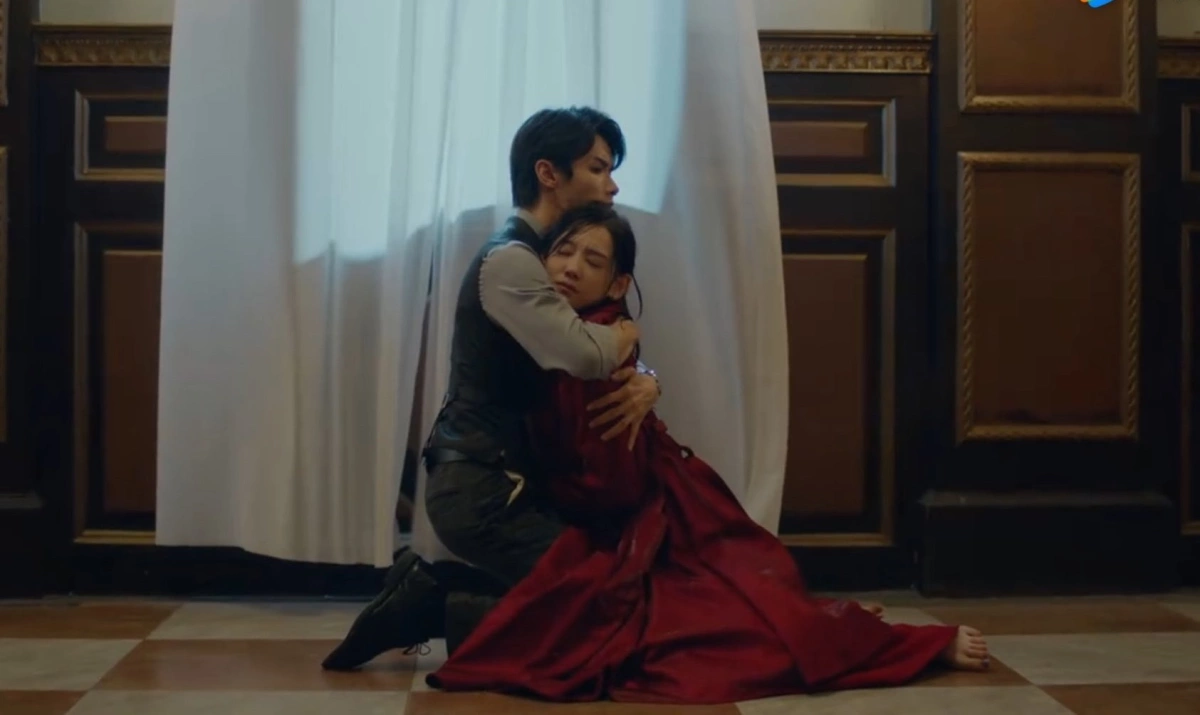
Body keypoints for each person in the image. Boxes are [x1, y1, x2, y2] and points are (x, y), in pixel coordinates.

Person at [426, 203, 991, 704]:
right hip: (646, 512)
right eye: (563, 252)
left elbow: (612, 485)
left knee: (717, 629)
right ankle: (834, 626)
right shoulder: (558, 326)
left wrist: (620, 543)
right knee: (711, 620)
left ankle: (874, 637)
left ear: (618, 284)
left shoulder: (596, 345)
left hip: (667, 515)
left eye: (591, 261)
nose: (570, 268)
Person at [322, 107, 663, 671]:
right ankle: (432, 604)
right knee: (608, 611)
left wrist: (647, 379)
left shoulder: (540, 257)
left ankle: (432, 585)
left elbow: (587, 350)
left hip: (511, 481)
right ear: (549, 174)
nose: (612, 185)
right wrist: (630, 332)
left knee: (620, 591)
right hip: (483, 492)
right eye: (598, 168)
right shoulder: (510, 262)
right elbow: (586, 354)